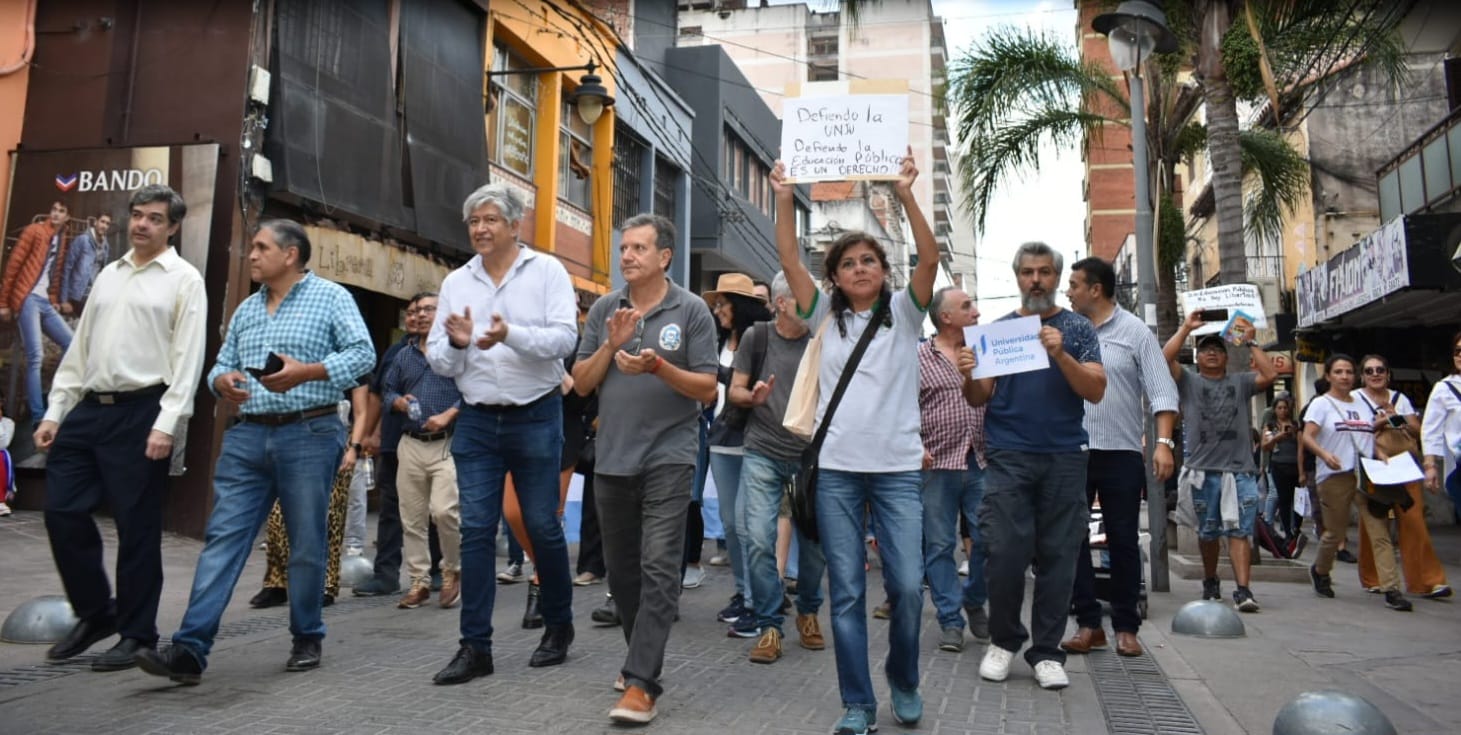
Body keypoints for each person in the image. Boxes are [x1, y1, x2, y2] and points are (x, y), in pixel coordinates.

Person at [136, 219, 374, 684]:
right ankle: (189, 649)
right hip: (247, 436)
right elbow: (222, 365)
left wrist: (308, 372)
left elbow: (363, 355)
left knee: (306, 542)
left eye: (262, 247)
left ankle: (307, 633)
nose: (252, 254)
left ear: (290, 255)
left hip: (309, 432)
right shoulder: (247, 308)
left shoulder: (332, 298)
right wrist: (220, 381)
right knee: (223, 539)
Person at [770, 149, 939, 735]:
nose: (861, 268)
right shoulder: (824, 317)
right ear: (836, 277)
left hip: (896, 472)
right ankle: (858, 704)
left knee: (906, 591)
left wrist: (906, 191)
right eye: (850, 263)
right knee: (844, 592)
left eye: (870, 260)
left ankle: (904, 678)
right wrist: (784, 194)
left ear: (883, 271)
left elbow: (932, 258)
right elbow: (788, 255)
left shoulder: (906, 314)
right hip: (837, 471)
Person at [35, 185, 206, 671]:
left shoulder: (184, 279)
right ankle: (96, 613)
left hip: (142, 411)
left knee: (136, 528)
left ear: (172, 226)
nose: (141, 225)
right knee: (61, 511)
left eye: (154, 218)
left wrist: (167, 422)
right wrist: (55, 412)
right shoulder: (110, 273)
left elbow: (187, 356)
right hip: (88, 409)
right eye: (137, 215)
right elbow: (81, 349)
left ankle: (136, 633)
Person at [425, 183, 579, 684]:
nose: (480, 229)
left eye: (490, 219)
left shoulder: (548, 271)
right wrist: (457, 340)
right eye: (473, 221)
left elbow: (564, 339)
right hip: (475, 419)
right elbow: (439, 361)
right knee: (474, 531)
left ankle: (558, 625)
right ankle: (475, 647)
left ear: (515, 225)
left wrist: (507, 334)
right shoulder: (457, 282)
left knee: (540, 523)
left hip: (536, 414)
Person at [573, 212, 718, 724]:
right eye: (625, 248)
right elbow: (582, 382)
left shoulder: (693, 310)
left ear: (664, 257)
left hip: (670, 455)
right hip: (612, 458)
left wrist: (658, 365)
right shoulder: (606, 311)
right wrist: (612, 345)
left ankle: (640, 684)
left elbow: (707, 389)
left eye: (638, 248)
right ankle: (641, 660)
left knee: (659, 567)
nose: (627, 256)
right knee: (624, 572)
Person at [962, 242, 1105, 692]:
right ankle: (1003, 641)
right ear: (1017, 277)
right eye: (1028, 272)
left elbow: (1096, 390)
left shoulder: (1078, 328)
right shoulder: (998, 331)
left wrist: (1061, 354)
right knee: (1003, 552)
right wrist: (968, 371)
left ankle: (1046, 651)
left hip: (1065, 456)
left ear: (1057, 277)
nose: (1036, 280)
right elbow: (978, 397)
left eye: (1044, 271)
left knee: (1060, 558)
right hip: (1008, 455)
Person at [1061, 257, 1177, 659]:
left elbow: (1162, 391)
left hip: (1122, 452)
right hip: (1071, 452)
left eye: (1074, 285)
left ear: (1096, 289)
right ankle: (1088, 623)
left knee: (1124, 538)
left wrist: (1164, 443)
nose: (1068, 291)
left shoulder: (1135, 332)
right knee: (1071, 538)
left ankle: (1127, 627)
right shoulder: (1064, 330)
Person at [731, 271, 826, 664]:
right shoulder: (758, 337)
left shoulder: (824, 340)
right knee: (755, 539)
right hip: (763, 451)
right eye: (806, 297)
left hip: (811, 456)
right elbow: (734, 390)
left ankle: (807, 610)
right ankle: (771, 624)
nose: (814, 305)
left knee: (816, 545)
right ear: (783, 303)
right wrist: (751, 396)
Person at [1163, 313, 1276, 612]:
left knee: (1240, 531)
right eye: (1205, 350)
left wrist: (1250, 341)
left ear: (1226, 357)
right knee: (1208, 532)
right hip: (1203, 472)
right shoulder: (1188, 381)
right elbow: (1165, 357)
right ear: (1198, 358)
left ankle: (1243, 590)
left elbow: (1270, 375)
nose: (1211, 352)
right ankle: (1211, 579)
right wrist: (1186, 327)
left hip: (1240, 470)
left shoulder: (1241, 382)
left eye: (1218, 349)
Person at [1301, 354, 1411, 611]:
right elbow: (1307, 436)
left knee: (1379, 532)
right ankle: (1321, 570)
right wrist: (1325, 455)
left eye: (1349, 372)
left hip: (1366, 475)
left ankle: (1391, 589)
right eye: (1338, 372)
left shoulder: (1363, 406)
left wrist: (1380, 455)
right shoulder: (1321, 404)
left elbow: (1367, 435)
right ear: (1328, 376)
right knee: (1335, 533)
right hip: (1334, 476)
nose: (1344, 377)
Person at [248, 381, 372, 610]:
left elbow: (362, 410)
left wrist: (354, 448)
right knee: (277, 518)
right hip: (298, 440)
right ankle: (277, 583)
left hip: (338, 443)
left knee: (330, 516)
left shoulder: (351, 363)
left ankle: (326, 585)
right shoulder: (306, 361)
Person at [917, 286, 991, 655]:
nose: (975, 312)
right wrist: (915, 447)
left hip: (981, 461)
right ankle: (950, 620)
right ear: (946, 317)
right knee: (940, 546)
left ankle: (974, 598)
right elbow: (902, 406)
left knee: (990, 540)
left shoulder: (986, 348)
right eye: (966, 306)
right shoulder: (918, 356)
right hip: (936, 465)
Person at [703, 272, 773, 635]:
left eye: (723, 304)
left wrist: (715, 373)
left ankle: (759, 603)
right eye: (716, 304)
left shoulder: (759, 339)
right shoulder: (717, 339)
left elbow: (751, 386)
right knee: (731, 523)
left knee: (750, 525)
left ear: (739, 305)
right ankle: (744, 592)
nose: (718, 311)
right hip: (720, 437)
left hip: (753, 438)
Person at [386, 290, 464, 611]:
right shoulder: (403, 355)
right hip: (411, 443)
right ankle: (418, 582)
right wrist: (398, 402)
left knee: (444, 512)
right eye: (416, 310)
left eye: (428, 309)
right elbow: (387, 389)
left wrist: (449, 414)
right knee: (412, 517)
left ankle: (451, 572)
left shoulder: (457, 351)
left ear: (443, 313)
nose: (419, 315)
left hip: (447, 444)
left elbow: (476, 390)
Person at [352, 296, 433, 597]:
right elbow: (376, 395)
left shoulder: (448, 350)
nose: (415, 318)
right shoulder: (396, 353)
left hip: (435, 442)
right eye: (410, 313)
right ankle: (386, 573)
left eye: (422, 312)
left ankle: (438, 570)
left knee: (435, 510)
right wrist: (369, 435)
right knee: (391, 509)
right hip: (393, 442)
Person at [1353, 355, 1450, 599]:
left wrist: (1397, 417)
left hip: (1405, 466)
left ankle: (1426, 581)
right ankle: (1373, 578)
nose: (1375, 374)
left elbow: (1419, 429)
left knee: (1413, 519)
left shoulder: (1400, 399)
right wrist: (1381, 423)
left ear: (1388, 374)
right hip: (1374, 465)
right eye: (1369, 370)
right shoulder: (1355, 399)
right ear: (1362, 375)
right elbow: (1356, 432)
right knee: (1375, 523)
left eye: (1380, 370)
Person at [1, 200, 74, 427]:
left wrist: (53, 300)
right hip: (27, 298)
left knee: (72, 344)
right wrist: (3, 302)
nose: (55, 213)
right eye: (53, 209)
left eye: (61, 211)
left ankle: (52, 398)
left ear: (67, 217)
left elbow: (55, 273)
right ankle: (38, 417)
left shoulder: (61, 239)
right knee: (36, 357)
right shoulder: (35, 231)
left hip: (44, 301)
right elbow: (14, 265)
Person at [1423, 331, 1461, 523]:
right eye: (1457, 351)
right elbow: (1431, 429)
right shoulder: (1444, 388)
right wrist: (1430, 466)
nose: (1460, 355)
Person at [1261, 393, 1304, 546]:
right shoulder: (1270, 427)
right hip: (1278, 466)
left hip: (1294, 466)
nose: (1283, 411)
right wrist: (1277, 437)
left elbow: (1300, 449)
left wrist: (1302, 471)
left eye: (1285, 407)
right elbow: (1265, 446)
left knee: (1298, 501)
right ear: (1275, 410)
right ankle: (1287, 532)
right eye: (1279, 408)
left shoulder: (1295, 425)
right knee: (1284, 500)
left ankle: (1296, 529)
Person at [61, 212, 113, 311]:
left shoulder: (105, 246)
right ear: (96, 222)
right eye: (102, 222)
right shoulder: (82, 240)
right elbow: (67, 268)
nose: (104, 226)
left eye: (107, 223)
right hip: (78, 295)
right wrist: (64, 300)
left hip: (93, 293)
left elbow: (101, 271)